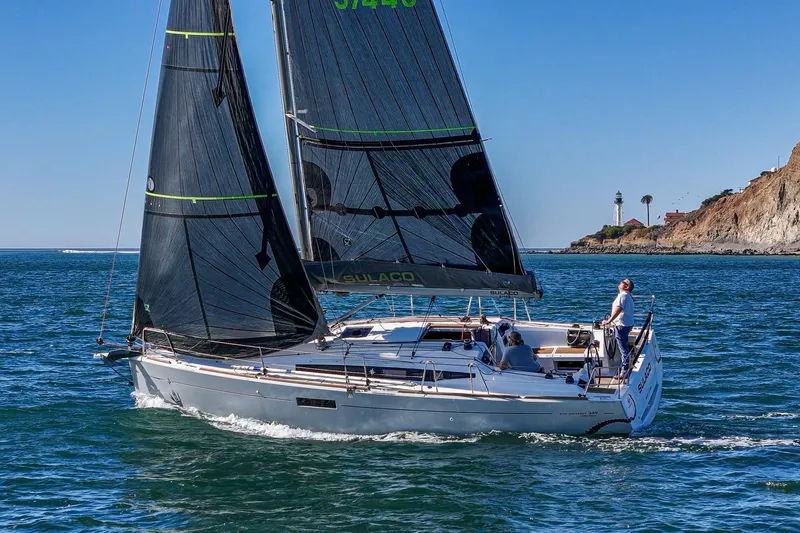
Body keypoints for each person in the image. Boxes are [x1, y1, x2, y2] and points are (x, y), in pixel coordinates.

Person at [601, 278, 635, 371]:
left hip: (621, 325)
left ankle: (625, 370)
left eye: (623, 282)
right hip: (627, 324)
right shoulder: (627, 296)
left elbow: (618, 309)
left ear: (627, 287)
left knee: (623, 349)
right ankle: (626, 366)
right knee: (623, 346)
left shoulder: (623, 295)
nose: (620, 282)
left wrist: (608, 321)